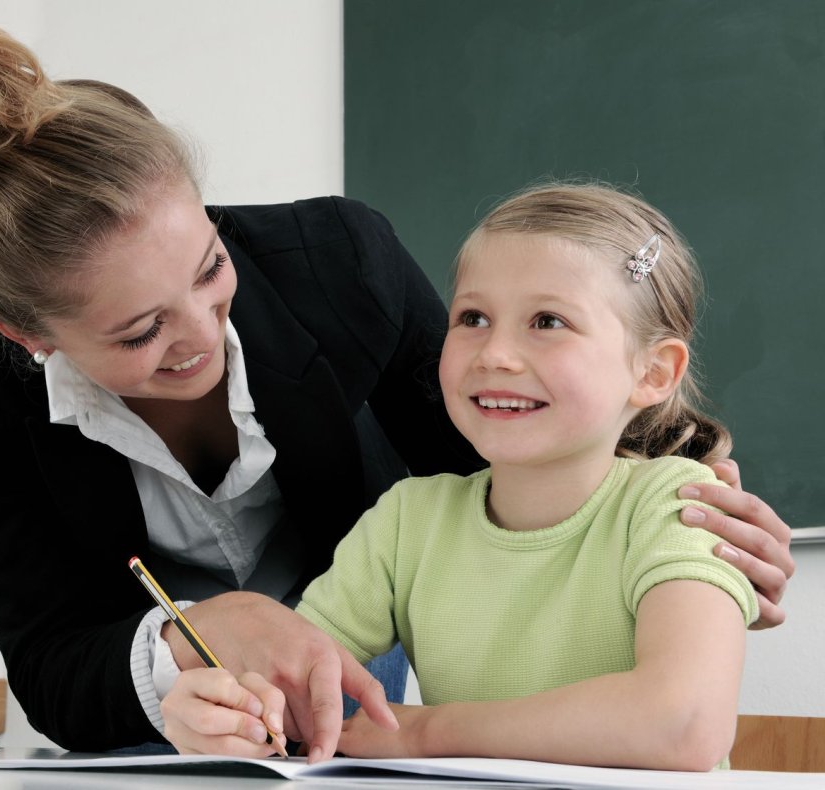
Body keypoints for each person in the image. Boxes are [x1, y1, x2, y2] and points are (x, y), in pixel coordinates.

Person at [0, 12, 794, 759]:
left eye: (210, 266)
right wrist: (198, 674)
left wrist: (699, 475)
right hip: (225, 706)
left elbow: (523, 440)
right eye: (142, 331)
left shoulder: (337, 266)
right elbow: (57, 657)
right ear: (23, 335)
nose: (205, 336)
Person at [162, 182, 761, 771]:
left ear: (655, 372)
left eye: (548, 321)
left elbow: (684, 723)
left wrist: (429, 732)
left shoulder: (682, 505)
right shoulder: (408, 520)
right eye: (472, 317)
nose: (494, 352)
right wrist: (230, 710)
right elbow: (293, 678)